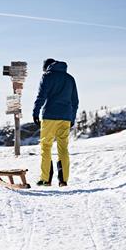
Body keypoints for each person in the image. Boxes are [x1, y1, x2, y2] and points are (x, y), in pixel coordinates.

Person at [33, 58, 79, 187]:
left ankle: (45, 179)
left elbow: (41, 95)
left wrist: (35, 112)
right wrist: (72, 118)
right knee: (63, 148)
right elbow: (75, 102)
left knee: (46, 147)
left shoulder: (47, 76)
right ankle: (63, 180)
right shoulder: (70, 79)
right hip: (65, 117)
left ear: (47, 67)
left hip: (50, 116)